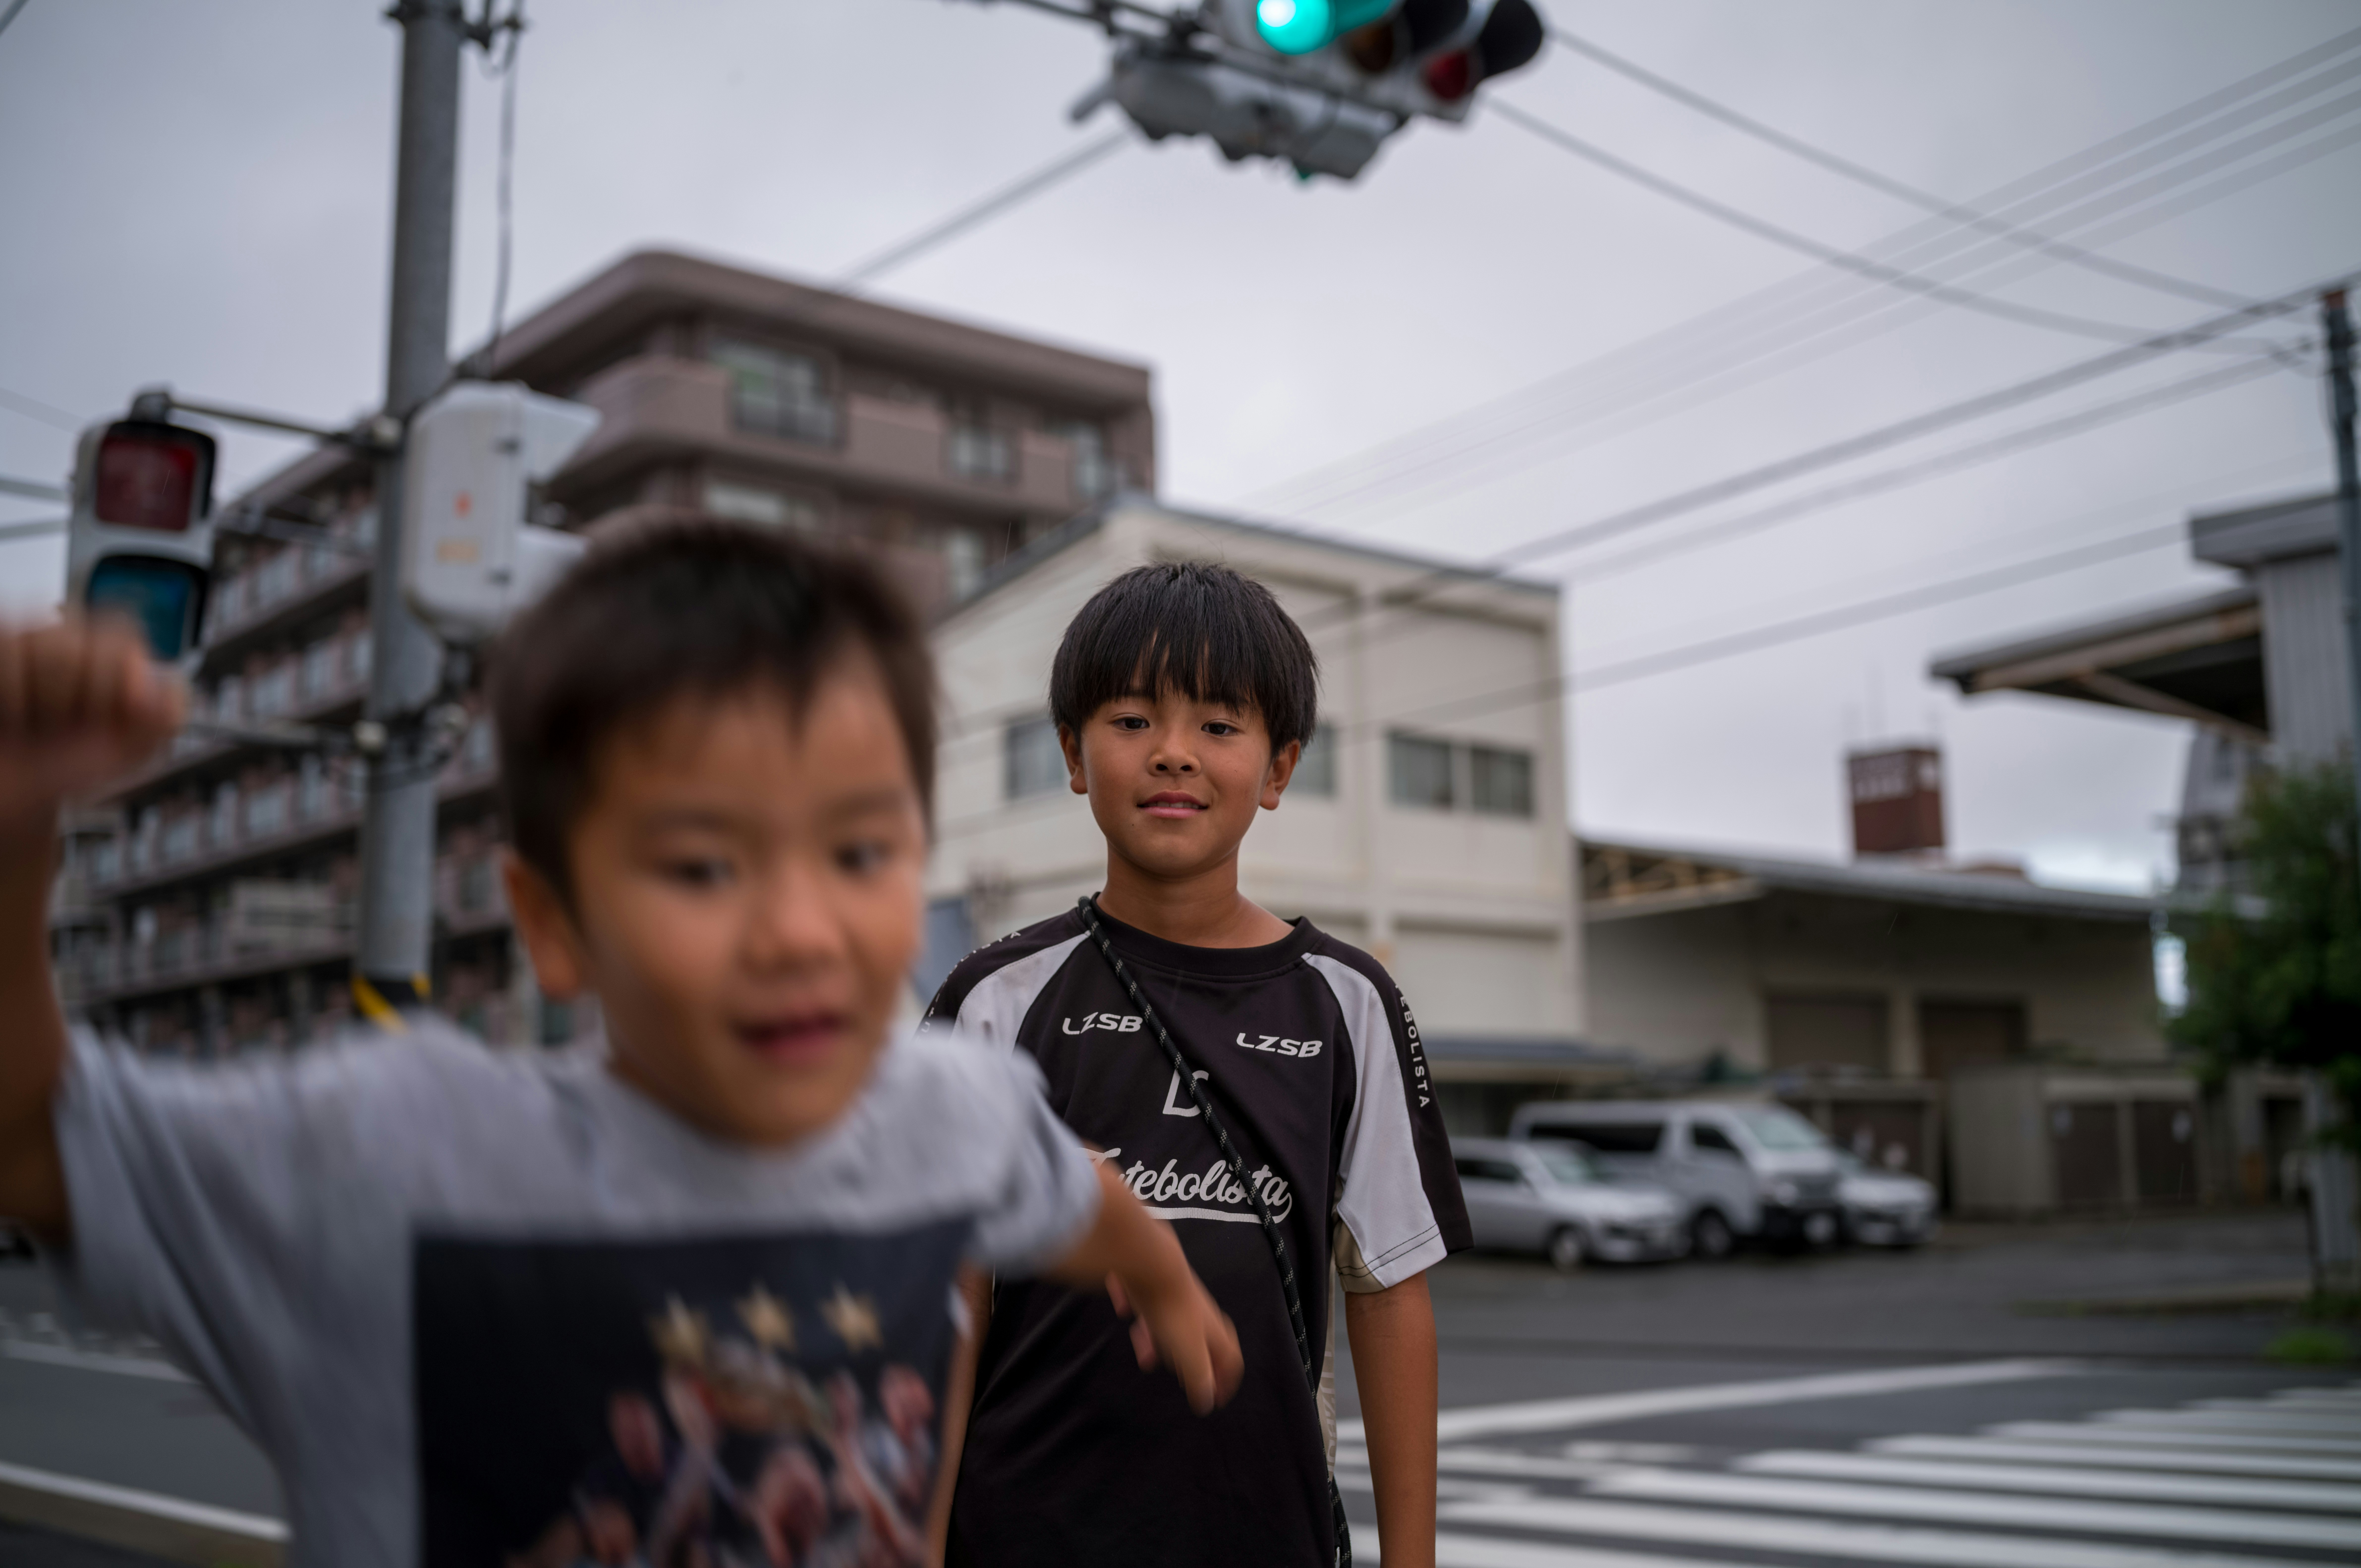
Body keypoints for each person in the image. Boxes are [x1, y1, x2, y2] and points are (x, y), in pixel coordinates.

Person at [0, 519, 1243, 1568]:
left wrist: (1163, 1279)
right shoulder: (397, 1157)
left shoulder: (951, 1108)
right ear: (553, 924)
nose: (801, 930)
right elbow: (35, 1135)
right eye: (704, 864)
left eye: (860, 851)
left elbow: (1065, 1189)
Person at [924, 562, 1470, 1568]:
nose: (1173, 753)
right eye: (1132, 720)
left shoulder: (1350, 1002)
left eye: (1219, 726)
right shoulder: (991, 999)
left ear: (1278, 769)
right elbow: (944, 1306)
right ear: (1073, 755)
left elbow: (1389, 1292)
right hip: (1016, 1537)